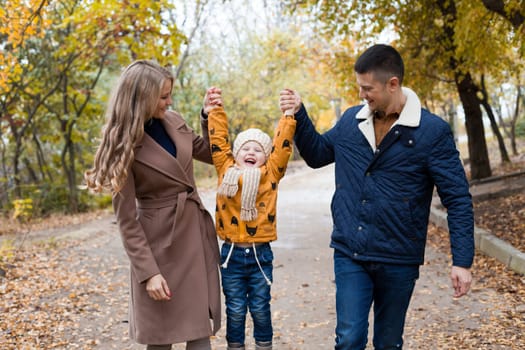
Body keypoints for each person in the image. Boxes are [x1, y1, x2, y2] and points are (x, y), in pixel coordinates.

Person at [279, 44, 474, 349]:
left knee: (387, 342)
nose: (362, 95)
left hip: (398, 256)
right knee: (349, 338)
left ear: (392, 84)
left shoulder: (432, 132)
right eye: (359, 87)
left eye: (367, 88)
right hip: (351, 250)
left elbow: (458, 198)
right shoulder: (350, 122)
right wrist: (300, 115)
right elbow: (317, 154)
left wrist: (462, 261)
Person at [84, 60, 221, 350]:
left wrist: (209, 119)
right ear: (142, 97)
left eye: (169, 95)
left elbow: (211, 153)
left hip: (192, 241)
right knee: (160, 340)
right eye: (162, 96)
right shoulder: (123, 145)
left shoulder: (174, 121)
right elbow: (126, 220)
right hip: (158, 251)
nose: (169, 101)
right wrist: (149, 273)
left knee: (199, 336)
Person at [202, 87, 296, 350]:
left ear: (267, 157)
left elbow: (283, 147)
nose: (251, 152)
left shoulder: (271, 173)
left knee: (260, 308)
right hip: (231, 254)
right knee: (234, 309)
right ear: (236, 152)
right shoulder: (225, 169)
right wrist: (215, 110)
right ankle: (236, 347)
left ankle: (263, 345)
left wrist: (288, 116)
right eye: (246, 148)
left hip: (260, 255)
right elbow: (218, 140)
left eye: (258, 149)